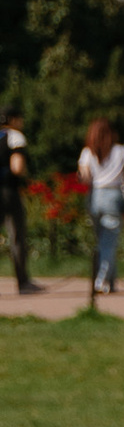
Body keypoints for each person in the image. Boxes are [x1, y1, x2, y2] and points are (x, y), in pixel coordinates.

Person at [78, 117, 124, 294]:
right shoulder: (123, 150)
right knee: (108, 243)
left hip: (95, 196)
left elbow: (85, 177)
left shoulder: (87, 152)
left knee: (102, 241)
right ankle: (101, 280)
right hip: (113, 195)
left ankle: (111, 282)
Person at [3, 105, 31, 294]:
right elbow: (17, 167)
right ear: (13, 119)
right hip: (7, 191)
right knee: (17, 236)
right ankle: (23, 282)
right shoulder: (15, 137)